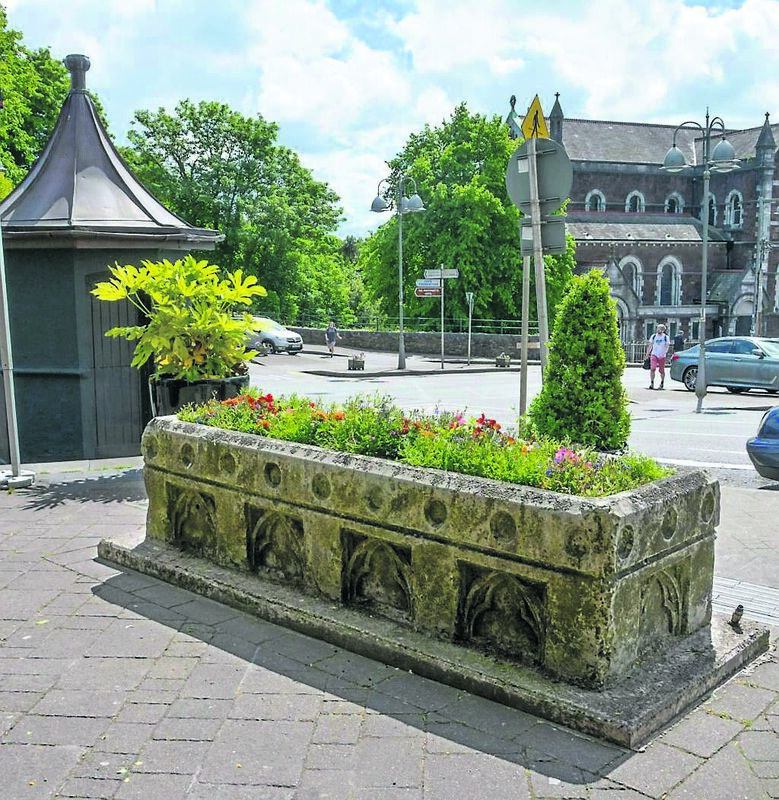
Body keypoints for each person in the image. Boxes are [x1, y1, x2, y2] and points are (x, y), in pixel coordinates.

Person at [646, 324, 670, 390]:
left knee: (661, 370)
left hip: (662, 356)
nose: (658, 330)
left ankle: (662, 382)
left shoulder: (666, 337)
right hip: (654, 354)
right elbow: (650, 345)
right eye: (658, 328)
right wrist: (647, 354)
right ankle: (652, 383)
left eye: (660, 328)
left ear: (663, 330)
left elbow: (667, 346)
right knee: (653, 368)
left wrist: (664, 353)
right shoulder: (653, 336)